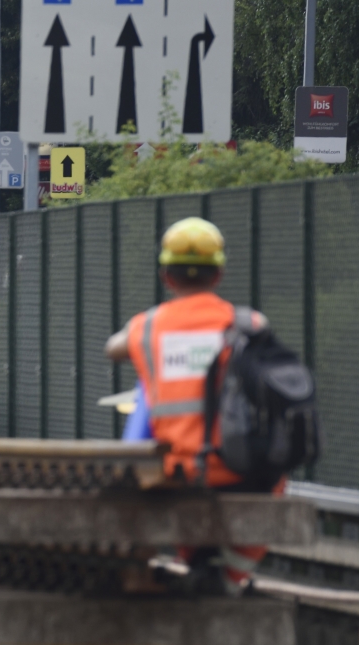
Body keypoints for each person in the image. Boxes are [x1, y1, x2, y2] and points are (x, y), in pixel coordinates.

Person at [105, 216, 274, 592]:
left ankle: (194, 562)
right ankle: (230, 577)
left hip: (177, 475)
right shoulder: (247, 324)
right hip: (237, 472)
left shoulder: (147, 328)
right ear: (218, 275)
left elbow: (112, 347)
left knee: (147, 395)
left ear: (167, 276)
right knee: (277, 479)